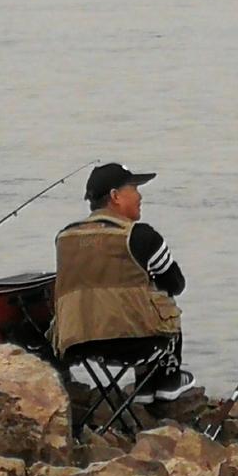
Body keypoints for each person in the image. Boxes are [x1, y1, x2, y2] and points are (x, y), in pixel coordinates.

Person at [52, 163, 189, 394]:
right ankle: (166, 381)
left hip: (77, 345)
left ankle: (144, 390)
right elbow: (176, 285)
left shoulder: (64, 237)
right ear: (115, 196)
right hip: (136, 346)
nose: (140, 195)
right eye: (134, 188)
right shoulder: (141, 237)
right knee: (163, 301)